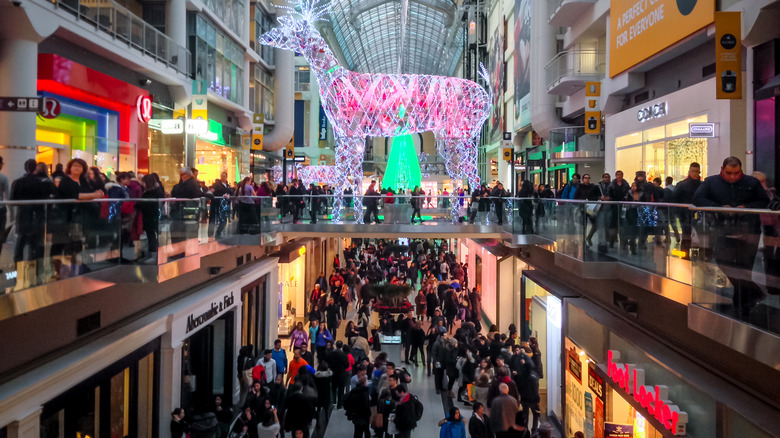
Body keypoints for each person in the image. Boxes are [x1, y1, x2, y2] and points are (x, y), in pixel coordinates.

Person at [693, 157, 769, 315]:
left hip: (749, 231)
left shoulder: (751, 183)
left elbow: (764, 201)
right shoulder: (711, 182)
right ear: (722, 169)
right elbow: (697, 198)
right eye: (729, 173)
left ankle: (742, 306)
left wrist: (745, 207)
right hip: (724, 231)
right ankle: (752, 295)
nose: (733, 177)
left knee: (745, 268)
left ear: (741, 170)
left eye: (736, 173)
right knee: (724, 262)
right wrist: (719, 207)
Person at [752, 171, 780, 295]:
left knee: (772, 256)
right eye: (760, 182)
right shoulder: (758, 195)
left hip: (773, 227)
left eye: (763, 181)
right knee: (769, 256)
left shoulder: (771, 193)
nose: (763, 184)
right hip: (762, 228)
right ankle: (771, 286)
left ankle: (773, 286)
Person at [674, 163, 702, 258]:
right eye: (693, 171)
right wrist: (679, 213)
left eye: (696, 171)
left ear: (699, 172)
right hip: (686, 215)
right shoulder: (682, 185)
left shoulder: (702, 185)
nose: (694, 173)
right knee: (687, 236)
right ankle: (685, 256)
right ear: (689, 172)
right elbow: (674, 200)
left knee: (695, 236)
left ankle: (688, 256)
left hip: (695, 215)